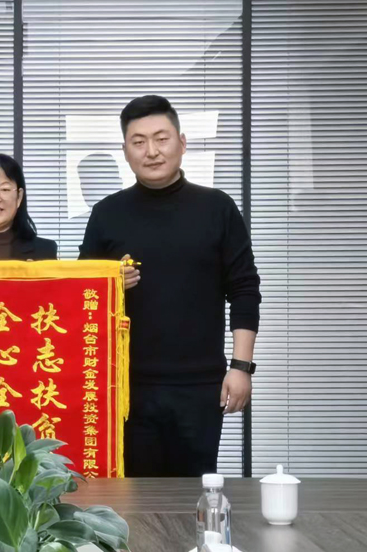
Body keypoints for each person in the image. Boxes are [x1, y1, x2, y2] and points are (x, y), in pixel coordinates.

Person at [79, 95, 261, 477]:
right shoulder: (106, 214)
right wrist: (110, 283)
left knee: (194, 493)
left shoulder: (217, 208)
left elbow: (244, 288)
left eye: (161, 139)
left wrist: (241, 367)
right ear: (125, 152)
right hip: (125, 387)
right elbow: (83, 299)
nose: (152, 151)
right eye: (139, 141)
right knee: (131, 497)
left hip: (200, 386)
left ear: (182, 142)